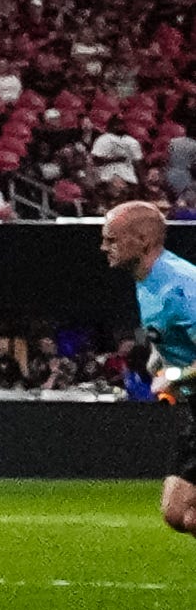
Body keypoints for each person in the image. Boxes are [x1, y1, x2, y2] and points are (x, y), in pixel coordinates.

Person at [107, 200, 196, 534]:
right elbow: (166, 332)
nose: (104, 247)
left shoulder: (182, 285)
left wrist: (174, 377)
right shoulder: (146, 280)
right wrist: (157, 358)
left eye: (111, 239)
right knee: (178, 513)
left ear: (143, 240)